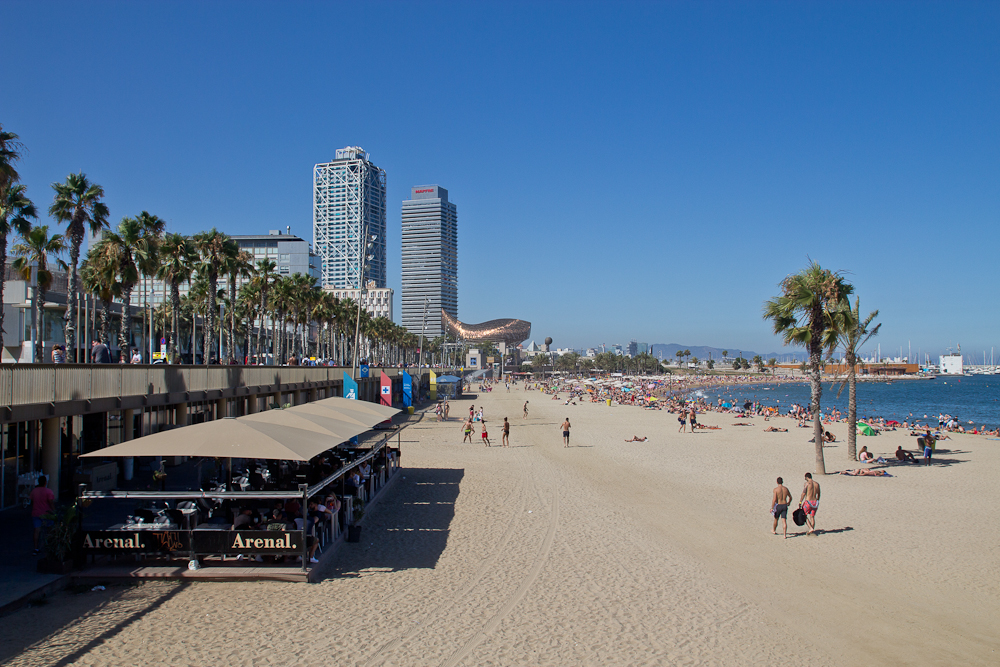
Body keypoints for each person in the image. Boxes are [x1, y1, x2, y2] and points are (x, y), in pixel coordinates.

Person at [30, 476, 55, 555]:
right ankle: (50, 546)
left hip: (36, 512)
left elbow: (32, 501)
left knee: (37, 530)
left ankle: (36, 548)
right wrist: (54, 511)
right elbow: (50, 502)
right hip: (47, 513)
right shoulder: (48, 491)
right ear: (45, 482)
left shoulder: (34, 491)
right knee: (49, 530)